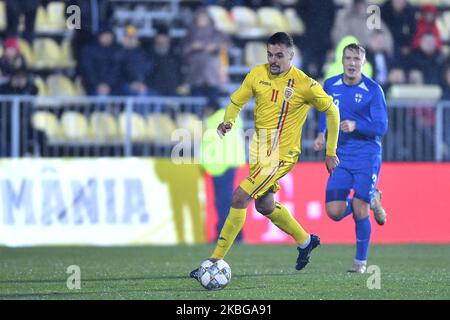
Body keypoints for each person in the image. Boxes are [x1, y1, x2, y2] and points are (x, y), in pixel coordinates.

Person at [190, 32, 340, 281]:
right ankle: (306, 241)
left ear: (291, 56)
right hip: (259, 153)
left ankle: (213, 262)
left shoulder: (305, 84)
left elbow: (333, 112)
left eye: (279, 55)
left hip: (281, 155)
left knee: (239, 197)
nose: (273, 60)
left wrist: (331, 151)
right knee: (264, 205)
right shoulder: (257, 74)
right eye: (270, 54)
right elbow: (236, 101)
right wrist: (228, 120)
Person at [314, 43, 388, 273]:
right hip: (341, 156)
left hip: (367, 156)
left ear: (363, 63)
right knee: (334, 212)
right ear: (342, 60)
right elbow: (325, 113)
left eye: (357, 59)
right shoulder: (331, 85)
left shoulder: (373, 90)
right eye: (348, 58)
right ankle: (372, 199)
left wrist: (357, 125)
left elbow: (382, 126)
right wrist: (321, 134)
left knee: (359, 207)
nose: (352, 63)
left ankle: (360, 263)